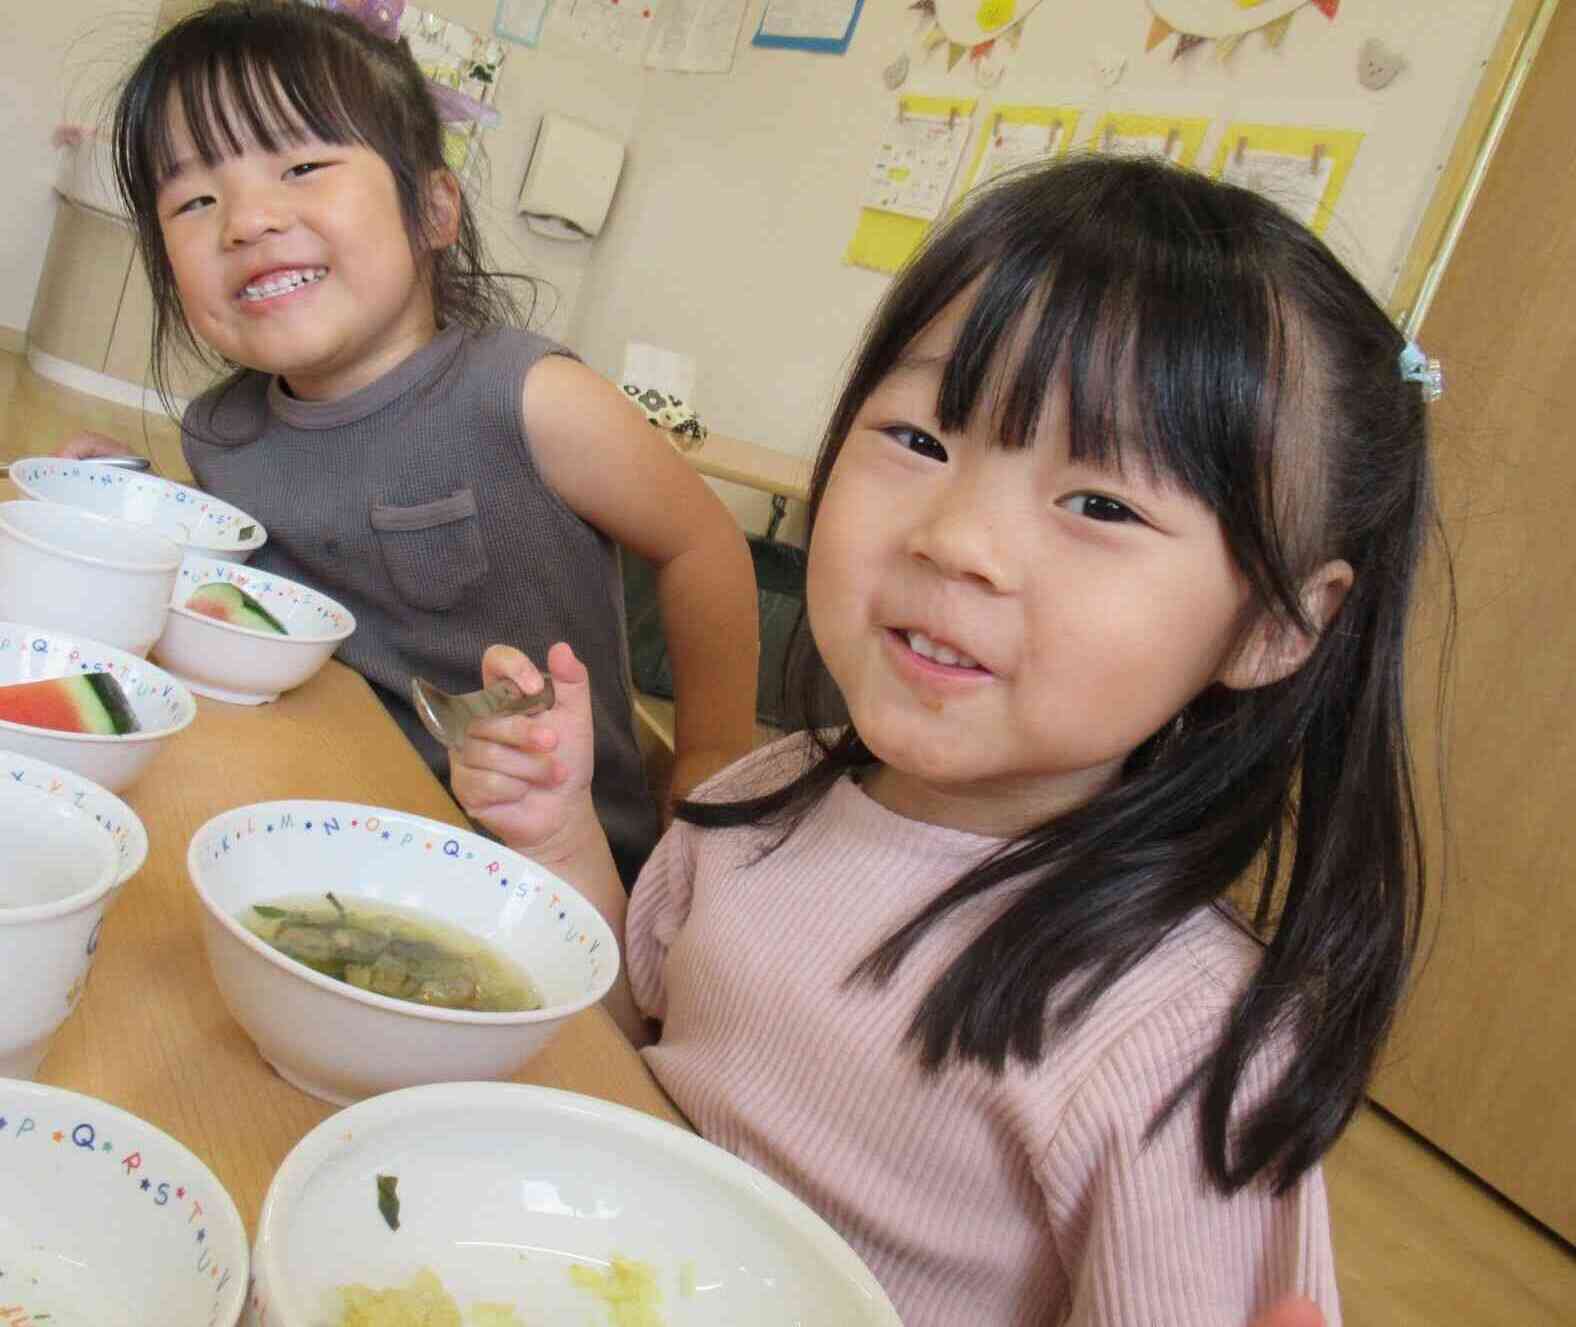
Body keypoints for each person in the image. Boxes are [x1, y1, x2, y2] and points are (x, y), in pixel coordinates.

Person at [451, 154, 1445, 1326]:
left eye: (1102, 504)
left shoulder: (1178, 1040)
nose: (958, 537)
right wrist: (562, 834)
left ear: (1276, 624)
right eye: (921, 438)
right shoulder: (768, 799)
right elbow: (633, 1053)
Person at [59, 0, 759, 884]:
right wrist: (134, 505)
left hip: (546, 867)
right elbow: (251, 600)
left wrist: (708, 771)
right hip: (316, 812)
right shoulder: (220, 434)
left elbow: (706, 542)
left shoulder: (534, 402)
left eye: (303, 164)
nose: (245, 220)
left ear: (433, 210)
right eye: (195, 199)